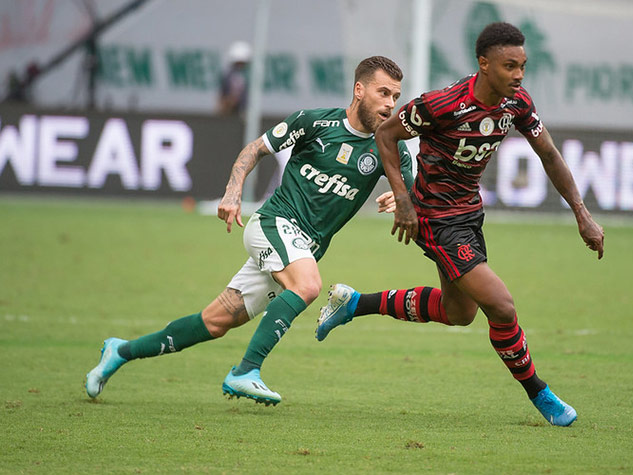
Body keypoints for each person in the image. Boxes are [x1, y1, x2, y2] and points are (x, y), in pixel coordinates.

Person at [316, 23, 604, 426]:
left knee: (459, 312)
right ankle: (541, 395)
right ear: (484, 64)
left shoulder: (516, 103)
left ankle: (354, 303)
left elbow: (550, 155)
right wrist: (404, 201)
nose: (518, 75)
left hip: (468, 213)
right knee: (501, 306)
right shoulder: (443, 104)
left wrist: (581, 212)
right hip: (434, 217)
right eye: (509, 66)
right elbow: (385, 134)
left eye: (522, 66)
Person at [86, 56, 414, 406]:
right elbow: (255, 149)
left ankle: (120, 351)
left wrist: (403, 200)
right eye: (383, 93)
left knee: (214, 322)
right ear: (359, 90)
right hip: (273, 224)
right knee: (308, 285)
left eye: (395, 96)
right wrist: (233, 191)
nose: (390, 104)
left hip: (300, 250)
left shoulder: (391, 147)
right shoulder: (314, 122)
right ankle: (246, 371)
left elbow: (414, 194)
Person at [217, 41, 251, 116]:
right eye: (238, 63)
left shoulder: (248, 77)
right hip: (228, 113)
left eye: (242, 63)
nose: (240, 66)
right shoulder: (228, 76)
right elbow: (222, 98)